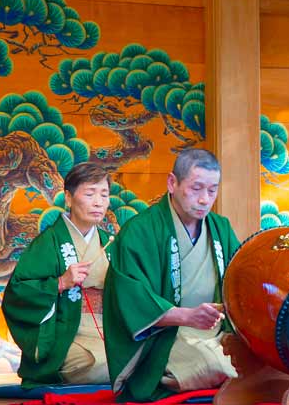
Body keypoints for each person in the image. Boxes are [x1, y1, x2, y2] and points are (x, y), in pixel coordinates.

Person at [103, 149, 240, 402]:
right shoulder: (140, 231)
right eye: (196, 188)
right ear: (172, 183)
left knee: (264, 358)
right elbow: (131, 298)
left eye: (212, 190)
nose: (204, 200)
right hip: (167, 336)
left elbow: (241, 281)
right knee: (215, 364)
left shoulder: (221, 228)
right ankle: (164, 373)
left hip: (218, 333)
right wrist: (187, 316)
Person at [3, 162, 114, 387]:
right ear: (69, 198)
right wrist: (61, 282)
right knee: (104, 364)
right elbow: (17, 293)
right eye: (90, 193)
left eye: (104, 194)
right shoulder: (49, 242)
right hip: (67, 335)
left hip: (108, 331)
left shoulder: (110, 243)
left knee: (142, 358)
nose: (98, 202)